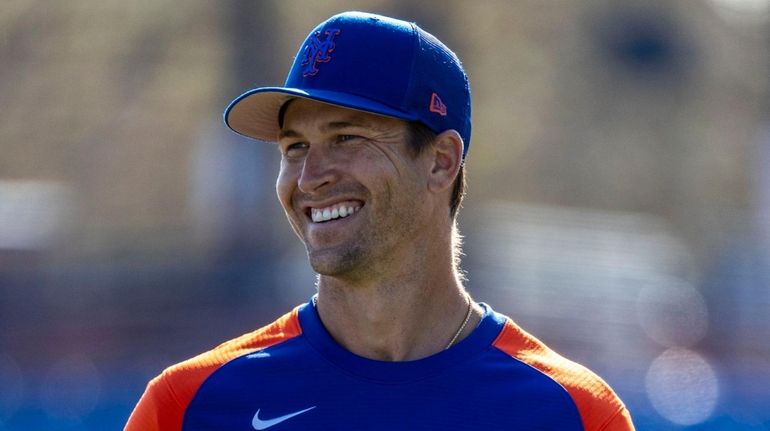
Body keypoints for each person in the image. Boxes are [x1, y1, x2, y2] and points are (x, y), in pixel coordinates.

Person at [125, 11, 635, 430]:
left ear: (440, 161)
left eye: (346, 137)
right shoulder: (187, 408)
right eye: (295, 147)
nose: (309, 178)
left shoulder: (574, 413)